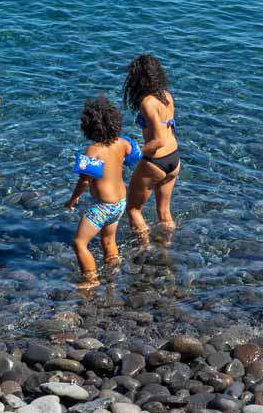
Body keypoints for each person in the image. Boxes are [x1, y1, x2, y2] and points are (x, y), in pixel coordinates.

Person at [64, 95, 133, 281]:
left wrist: (72, 199)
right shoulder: (122, 143)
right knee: (109, 240)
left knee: (79, 243)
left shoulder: (93, 151)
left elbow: (85, 181)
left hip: (103, 207)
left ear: (87, 126)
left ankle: (91, 280)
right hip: (120, 203)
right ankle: (114, 276)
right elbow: (133, 156)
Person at [123, 54, 180, 234]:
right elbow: (168, 130)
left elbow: (158, 140)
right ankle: (166, 247)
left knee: (133, 209)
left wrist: (136, 152)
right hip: (174, 159)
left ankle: (144, 249)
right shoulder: (167, 96)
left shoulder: (147, 103)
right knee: (164, 212)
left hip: (156, 161)